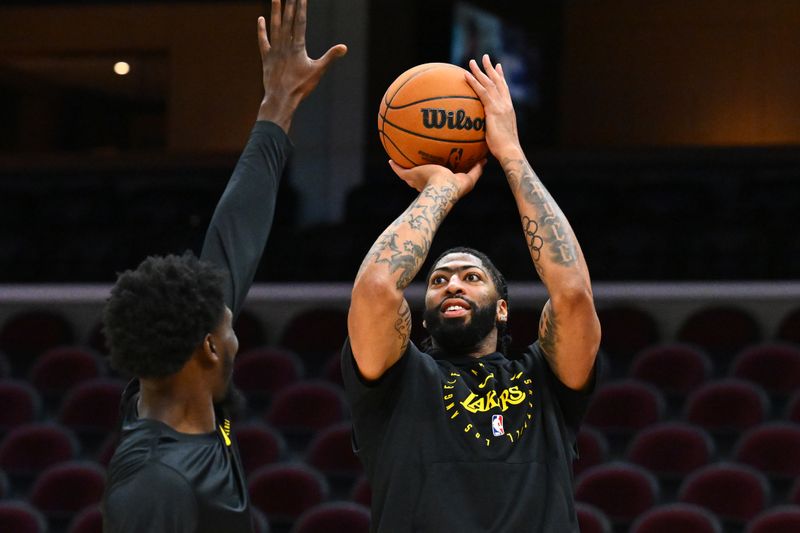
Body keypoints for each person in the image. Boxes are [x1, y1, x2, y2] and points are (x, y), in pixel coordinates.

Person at [101, 1, 346, 531]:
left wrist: (277, 105)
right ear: (209, 348)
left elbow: (235, 235)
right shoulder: (155, 483)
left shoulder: (179, 392)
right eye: (229, 326)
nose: (237, 334)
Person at [344, 54, 601, 532]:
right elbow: (377, 290)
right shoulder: (398, 383)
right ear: (421, 316)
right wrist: (439, 190)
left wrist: (512, 155)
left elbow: (573, 296)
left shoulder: (546, 381)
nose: (453, 284)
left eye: (471, 277)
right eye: (438, 281)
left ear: (503, 309)